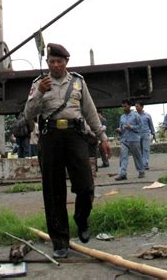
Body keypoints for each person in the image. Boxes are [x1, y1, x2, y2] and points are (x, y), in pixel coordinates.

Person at [24, 42, 111, 259]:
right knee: (53, 191)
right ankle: (60, 241)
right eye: (52, 61)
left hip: (75, 136)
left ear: (66, 62)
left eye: (59, 61)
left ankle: (82, 220)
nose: (55, 65)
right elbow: (28, 113)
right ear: (47, 62)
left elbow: (90, 111)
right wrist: (40, 94)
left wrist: (102, 138)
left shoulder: (78, 82)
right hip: (50, 137)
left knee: (85, 185)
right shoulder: (39, 83)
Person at [114, 100, 145, 180]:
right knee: (123, 156)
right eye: (123, 106)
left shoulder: (135, 116)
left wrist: (131, 127)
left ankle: (141, 171)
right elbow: (122, 128)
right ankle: (122, 173)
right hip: (124, 139)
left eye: (125, 106)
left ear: (129, 106)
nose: (124, 108)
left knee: (137, 156)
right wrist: (119, 130)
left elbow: (141, 127)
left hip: (134, 139)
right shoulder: (122, 117)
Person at [135, 101, 156, 170]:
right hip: (137, 135)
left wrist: (153, 133)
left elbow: (151, 125)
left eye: (137, 106)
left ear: (142, 107)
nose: (136, 107)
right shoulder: (134, 115)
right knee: (139, 150)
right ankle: (141, 163)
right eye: (135, 106)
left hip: (146, 134)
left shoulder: (147, 115)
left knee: (146, 149)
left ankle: (145, 164)